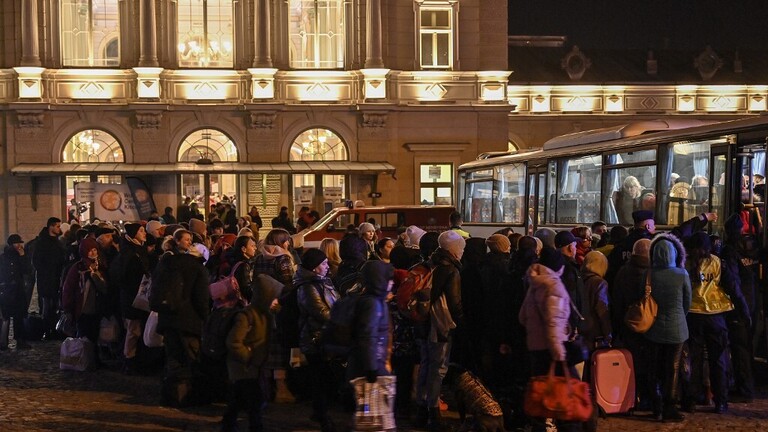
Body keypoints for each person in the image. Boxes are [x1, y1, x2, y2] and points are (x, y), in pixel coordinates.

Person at [682, 231, 748, 415]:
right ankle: (720, 401)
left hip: (693, 315)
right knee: (718, 360)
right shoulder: (718, 262)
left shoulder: (685, 263)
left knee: (693, 360)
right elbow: (733, 288)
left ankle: (691, 400)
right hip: (716, 316)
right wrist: (744, 311)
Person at [519, 247, 583, 432]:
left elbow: (522, 317)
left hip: (536, 349)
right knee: (568, 396)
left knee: (542, 397)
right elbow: (553, 323)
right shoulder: (553, 286)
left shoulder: (534, 283)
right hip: (553, 350)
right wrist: (559, 352)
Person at [221, 262, 282, 432]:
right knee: (253, 401)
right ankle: (253, 427)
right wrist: (247, 357)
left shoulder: (266, 314)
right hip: (243, 367)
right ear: (266, 296)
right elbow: (234, 341)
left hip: (253, 367)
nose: (276, 301)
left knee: (239, 399)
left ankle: (229, 424)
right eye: (274, 297)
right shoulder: (247, 315)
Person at [153, 229, 211, 405]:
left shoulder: (167, 262)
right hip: (189, 321)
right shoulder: (197, 268)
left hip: (167, 318)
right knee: (190, 359)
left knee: (173, 357)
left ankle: (170, 395)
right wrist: (205, 318)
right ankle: (186, 396)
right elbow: (201, 298)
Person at [414, 230, 465, 432]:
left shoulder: (428, 264)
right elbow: (454, 303)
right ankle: (433, 414)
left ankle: (421, 409)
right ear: (454, 249)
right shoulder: (450, 270)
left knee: (426, 365)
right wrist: (462, 322)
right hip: (439, 326)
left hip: (422, 323)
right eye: (460, 248)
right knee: (438, 369)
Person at [643, 233, 690, 422]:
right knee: (673, 367)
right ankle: (670, 406)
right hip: (677, 328)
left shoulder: (649, 274)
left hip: (653, 327)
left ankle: (657, 405)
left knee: (654, 366)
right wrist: (679, 316)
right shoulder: (681, 274)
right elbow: (687, 302)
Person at [295, 248, 339, 432]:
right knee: (320, 378)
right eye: (323, 263)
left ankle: (319, 411)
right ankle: (322, 416)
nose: (327, 266)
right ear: (314, 267)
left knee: (324, 377)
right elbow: (320, 311)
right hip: (315, 338)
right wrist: (342, 317)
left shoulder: (323, 281)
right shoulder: (307, 287)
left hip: (326, 336)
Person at [347, 259, 394, 388]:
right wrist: (372, 368)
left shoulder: (374, 300)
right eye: (388, 279)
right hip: (371, 366)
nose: (392, 282)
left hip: (371, 362)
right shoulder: (372, 304)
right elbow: (368, 336)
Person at [61, 238, 109, 366]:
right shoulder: (78, 268)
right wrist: (67, 307)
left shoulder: (101, 266)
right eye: (90, 250)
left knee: (95, 334)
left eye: (95, 250)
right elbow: (68, 288)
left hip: (97, 307)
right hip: (83, 308)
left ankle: (94, 359)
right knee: (84, 335)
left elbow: (105, 287)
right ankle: (83, 359)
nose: (93, 253)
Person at [114, 224, 150, 375]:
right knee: (133, 330)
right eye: (141, 231)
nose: (144, 233)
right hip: (131, 296)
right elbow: (124, 276)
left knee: (137, 329)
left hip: (140, 295)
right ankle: (128, 359)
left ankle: (134, 359)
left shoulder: (140, 250)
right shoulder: (129, 253)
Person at [31, 217, 67, 338]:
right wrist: (45, 271)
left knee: (55, 305)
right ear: (51, 226)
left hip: (56, 277)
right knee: (47, 305)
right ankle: (47, 330)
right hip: (46, 279)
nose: (59, 228)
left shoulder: (57, 242)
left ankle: (54, 329)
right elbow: (36, 260)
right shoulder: (42, 242)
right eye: (57, 226)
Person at [0, 234, 31, 350]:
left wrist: (23, 256)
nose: (19, 245)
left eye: (20, 243)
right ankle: (3, 341)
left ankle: (20, 340)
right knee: (6, 317)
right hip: (7, 290)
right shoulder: (3, 257)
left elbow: (27, 270)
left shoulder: (21, 256)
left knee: (19, 316)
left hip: (18, 290)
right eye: (17, 243)